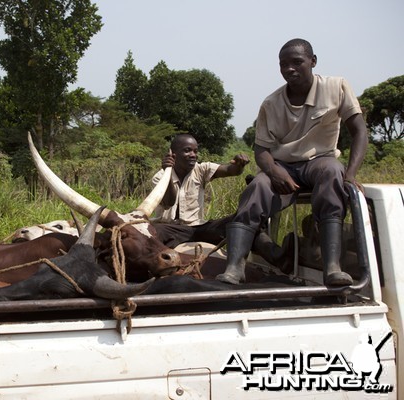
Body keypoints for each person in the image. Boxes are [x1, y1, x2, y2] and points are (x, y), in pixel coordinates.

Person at [216, 38, 368, 287]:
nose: (289, 69)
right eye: (283, 64)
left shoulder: (336, 86)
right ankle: (234, 267)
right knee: (256, 190)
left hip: (320, 161)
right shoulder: (270, 103)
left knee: (333, 172)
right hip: (283, 166)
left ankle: (332, 267)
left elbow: (359, 131)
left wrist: (350, 175)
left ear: (313, 61)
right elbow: (262, 149)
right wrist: (274, 171)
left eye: (297, 62)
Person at [152, 134, 292, 269]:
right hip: (169, 229)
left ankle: (280, 258)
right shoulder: (159, 177)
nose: (193, 155)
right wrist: (168, 173)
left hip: (196, 228)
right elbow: (168, 202)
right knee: (151, 232)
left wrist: (238, 165)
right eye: (187, 151)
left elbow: (229, 170)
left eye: (195, 151)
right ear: (173, 154)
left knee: (239, 224)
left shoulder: (201, 169)